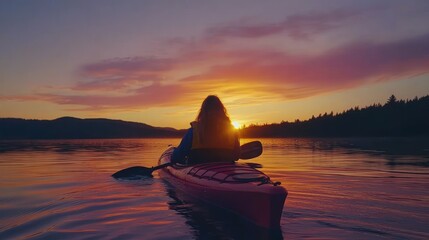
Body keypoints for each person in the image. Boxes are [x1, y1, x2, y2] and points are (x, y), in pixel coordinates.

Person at [172, 95, 240, 164]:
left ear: (202, 112)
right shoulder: (231, 132)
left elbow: (176, 158)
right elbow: (236, 156)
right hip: (226, 171)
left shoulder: (193, 132)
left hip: (198, 172)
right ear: (222, 112)